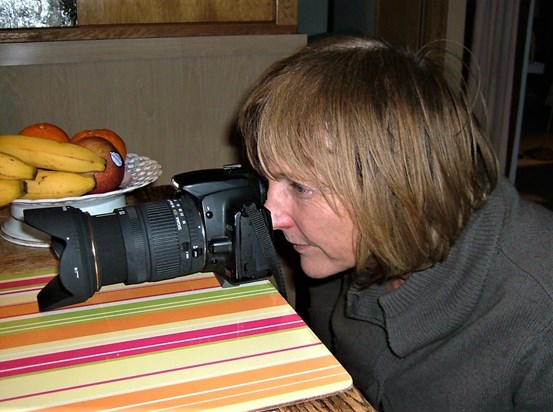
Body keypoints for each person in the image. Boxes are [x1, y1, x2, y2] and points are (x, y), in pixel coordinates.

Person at [237, 36, 553, 411]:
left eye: (300, 187)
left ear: (392, 185)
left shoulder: (539, 309)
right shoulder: (341, 251)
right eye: (268, 181)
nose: (271, 215)